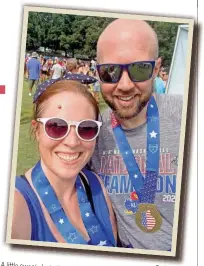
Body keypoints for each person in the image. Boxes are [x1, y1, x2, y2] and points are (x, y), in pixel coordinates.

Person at [90, 19, 183, 251]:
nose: (124, 85)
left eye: (139, 69)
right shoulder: (90, 131)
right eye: (110, 71)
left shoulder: (186, 114)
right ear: (98, 72)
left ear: (157, 68)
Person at [12, 77, 117, 246]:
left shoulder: (96, 186)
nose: (73, 142)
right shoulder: (15, 204)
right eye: (57, 126)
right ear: (36, 130)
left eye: (86, 128)